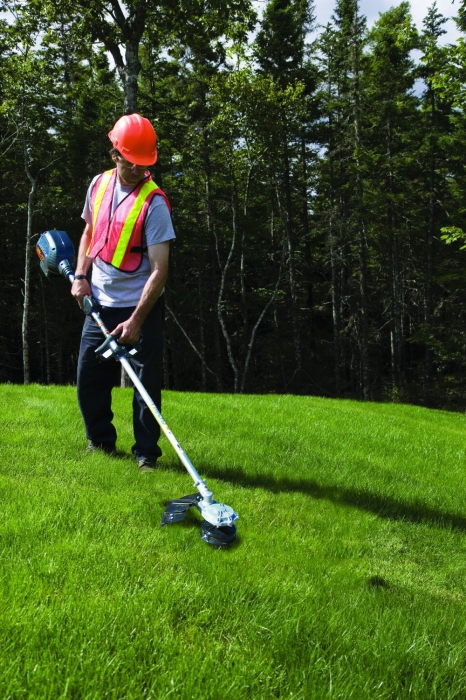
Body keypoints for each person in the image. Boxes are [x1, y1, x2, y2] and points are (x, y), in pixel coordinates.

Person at [71, 113, 175, 471]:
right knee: (88, 379)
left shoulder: (154, 203)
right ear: (115, 153)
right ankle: (100, 443)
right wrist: (81, 275)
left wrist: (136, 320)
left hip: (139, 307)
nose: (136, 168)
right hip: (99, 301)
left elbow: (160, 270)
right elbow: (88, 232)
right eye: (129, 160)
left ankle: (147, 454)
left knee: (145, 386)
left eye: (143, 163)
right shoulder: (99, 184)